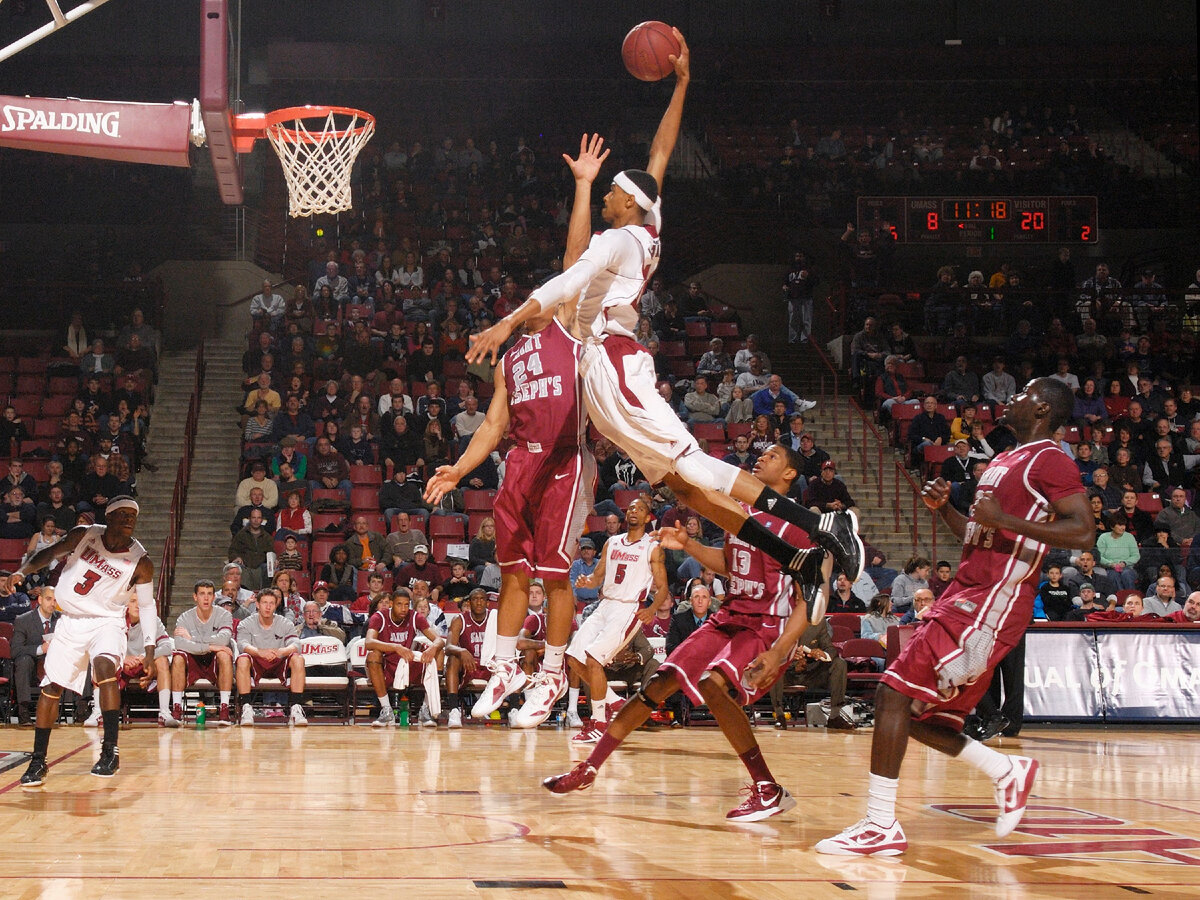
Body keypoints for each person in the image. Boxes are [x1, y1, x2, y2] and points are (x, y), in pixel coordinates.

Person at [463, 33, 863, 596]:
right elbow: (660, 155)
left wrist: (507, 322)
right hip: (603, 371)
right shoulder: (647, 224)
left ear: (627, 201)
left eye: (607, 193)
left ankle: (823, 524)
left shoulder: (617, 239)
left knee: (694, 466)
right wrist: (681, 86)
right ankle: (793, 559)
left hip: (612, 363)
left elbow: (567, 276)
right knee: (686, 490)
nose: (604, 196)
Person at [810, 377, 1091, 856]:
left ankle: (880, 824)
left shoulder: (1051, 459)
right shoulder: (1004, 459)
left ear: (1042, 408)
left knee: (893, 694)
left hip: (992, 602)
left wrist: (1006, 521)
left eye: (1023, 394)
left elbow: (1083, 531)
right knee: (919, 715)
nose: (1013, 399)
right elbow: (980, 534)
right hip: (964, 591)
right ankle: (1005, 771)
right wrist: (947, 512)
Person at [545, 444, 831, 822]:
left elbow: (804, 602)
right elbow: (730, 565)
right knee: (659, 684)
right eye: (761, 455)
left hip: (767, 624)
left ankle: (767, 787)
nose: (760, 458)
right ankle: (590, 768)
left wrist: (779, 652)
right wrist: (690, 545)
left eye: (773, 456)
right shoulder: (739, 512)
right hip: (730, 613)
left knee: (713, 685)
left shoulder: (797, 527)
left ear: (791, 474)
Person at [7, 496, 158, 786]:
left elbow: (148, 606)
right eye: (122, 514)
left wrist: (149, 648)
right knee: (51, 686)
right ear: (109, 516)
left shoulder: (141, 560)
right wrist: (20, 572)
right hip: (72, 621)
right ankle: (38, 760)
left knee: (104, 669)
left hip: (107, 621)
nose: (128, 519)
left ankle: (110, 751)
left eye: (133, 516)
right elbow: (49, 553)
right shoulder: (84, 535)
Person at [564, 496, 670, 743]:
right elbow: (597, 576)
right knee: (573, 658)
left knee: (592, 659)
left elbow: (662, 586)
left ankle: (600, 723)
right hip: (605, 605)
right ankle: (614, 702)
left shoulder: (651, 547)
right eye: (631, 507)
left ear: (647, 518)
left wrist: (653, 607)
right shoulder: (612, 542)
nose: (634, 511)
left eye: (640, 508)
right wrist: (587, 581)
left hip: (628, 609)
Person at [364, 586, 443, 727]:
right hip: (388, 666)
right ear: (391, 604)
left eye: (407, 604)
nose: (403, 608)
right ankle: (387, 710)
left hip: (409, 665)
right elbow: (369, 642)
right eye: (399, 604)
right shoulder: (379, 617)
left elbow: (439, 640)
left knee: (439, 652)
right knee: (372, 656)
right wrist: (395, 646)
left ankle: (425, 710)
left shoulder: (414, 616)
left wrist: (433, 647)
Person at [168, 579, 236, 726]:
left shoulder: (224, 615)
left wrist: (192, 638)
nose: (206, 598)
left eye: (209, 594)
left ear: (214, 597)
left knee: (224, 654)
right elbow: (179, 643)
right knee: (178, 657)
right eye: (202, 594)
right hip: (193, 659)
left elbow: (223, 640)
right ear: (195, 597)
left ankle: (224, 711)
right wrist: (211, 647)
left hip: (214, 660)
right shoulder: (184, 617)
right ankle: (177, 709)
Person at [235, 589, 307, 726]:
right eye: (264, 603)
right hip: (257, 661)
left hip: (279, 661)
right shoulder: (246, 623)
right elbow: (242, 644)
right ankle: (247, 708)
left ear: (276, 605)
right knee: (243, 659)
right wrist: (259, 652)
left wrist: (282, 651)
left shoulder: (285, 623)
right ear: (257, 604)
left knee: (298, 659)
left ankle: (296, 709)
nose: (268, 607)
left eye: (271, 603)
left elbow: (296, 644)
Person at [11, 586, 60, 726]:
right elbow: (15, 650)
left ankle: (82, 709)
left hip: (56, 665)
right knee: (24, 660)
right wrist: (40, 649)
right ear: (39, 599)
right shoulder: (23, 620)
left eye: (55, 600)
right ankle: (24, 711)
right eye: (49, 599)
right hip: (32, 667)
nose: (52, 604)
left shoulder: (61, 620)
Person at [444, 588, 490, 728]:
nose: (479, 602)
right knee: (453, 658)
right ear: (469, 603)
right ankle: (453, 710)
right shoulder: (459, 619)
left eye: (482, 599)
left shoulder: (495, 618)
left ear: (487, 603)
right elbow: (448, 647)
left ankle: (514, 709)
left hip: (490, 664)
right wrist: (462, 650)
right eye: (475, 599)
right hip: (470, 665)